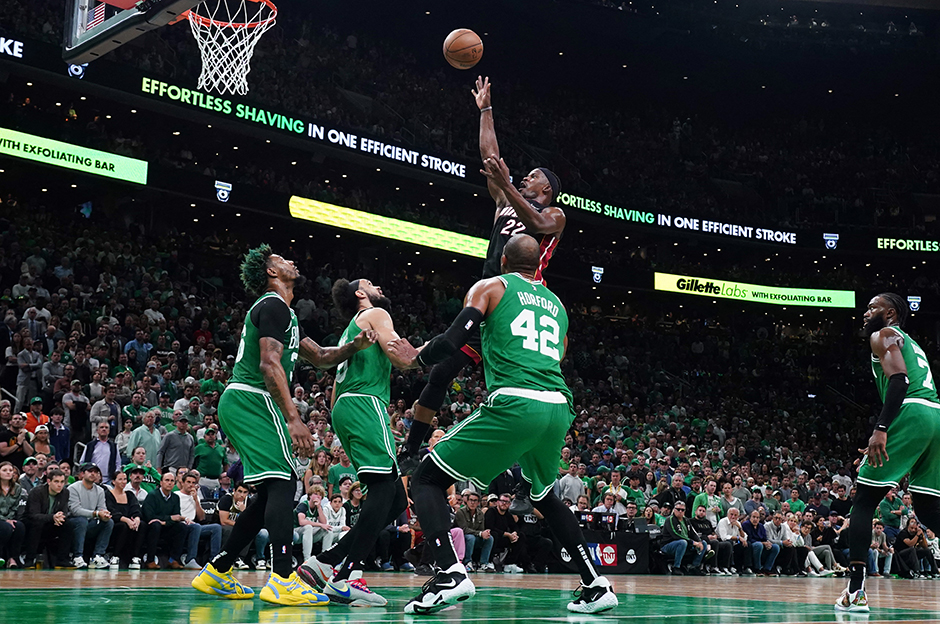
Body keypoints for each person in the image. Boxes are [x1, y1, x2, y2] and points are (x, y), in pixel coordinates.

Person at [390, 235, 617, 615]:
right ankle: (596, 583)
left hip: (516, 401)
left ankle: (449, 572)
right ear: (535, 264)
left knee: (427, 478)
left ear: (504, 259)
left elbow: (452, 340)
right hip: (558, 405)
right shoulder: (557, 305)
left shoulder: (491, 286)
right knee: (545, 496)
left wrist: (415, 357)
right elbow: (557, 354)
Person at [402, 76, 567, 520]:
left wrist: (506, 185)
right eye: (522, 176)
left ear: (545, 187)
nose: (522, 177)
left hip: (523, 305)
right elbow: (490, 156)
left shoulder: (552, 214)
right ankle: (411, 451)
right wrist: (485, 110)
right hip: (491, 298)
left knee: (518, 390)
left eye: (531, 176)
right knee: (440, 373)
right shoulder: (505, 200)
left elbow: (534, 217)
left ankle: (521, 479)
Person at [191, 244, 373, 607]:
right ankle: (282, 578)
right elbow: (269, 364)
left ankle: (218, 571)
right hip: (251, 398)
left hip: (246, 401)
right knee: (284, 481)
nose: (291, 259)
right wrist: (294, 419)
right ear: (272, 272)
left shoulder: (285, 313)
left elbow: (320, 356)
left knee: (272, 489)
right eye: (281, 259)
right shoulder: (272, 304)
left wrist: (353, 346)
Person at [297, 276, 412, 607]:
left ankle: (328, 560)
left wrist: (343, 423)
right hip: (365, 402)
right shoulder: (375, 314)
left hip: (346, 407)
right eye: (373, 284)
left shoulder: (352, 330)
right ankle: (348, 575)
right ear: (362, 294)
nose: (381, 286)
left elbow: (334, 387)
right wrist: (444, 351)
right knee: (383, 490)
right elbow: (400, 356)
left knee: (395, 500)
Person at [838, 294, 940, 612]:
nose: (866, 313)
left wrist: (881, 429)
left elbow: (899, 380)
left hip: (911, 411)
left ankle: (855, 592)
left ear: (891, 314)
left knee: (865, 500)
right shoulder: (913, 343)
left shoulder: (881, 334)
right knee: (928, 509)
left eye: (873, 308)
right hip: (934, 416)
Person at [65, 462, 114, 569]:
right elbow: (75, 510)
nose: (93, 474)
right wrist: (96, 513)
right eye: (90, 471)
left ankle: (98, 556)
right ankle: (77, 556)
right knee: (81, 520)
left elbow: (102, 507)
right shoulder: (73, 488)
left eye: (96, 472)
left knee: (108, 522)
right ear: (82, 474)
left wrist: (105, 514)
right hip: (73, 523)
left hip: (90, 522)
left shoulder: (100, 490)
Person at [23, 468, 71, 568]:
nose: (60, 485)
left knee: (68, 524)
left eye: (62, 482)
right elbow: (33, 515)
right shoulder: (36, 492)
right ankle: (30, 559)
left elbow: (65, 511)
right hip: (32, 523)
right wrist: (52, 517)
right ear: (49, 481)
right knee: (37, 524)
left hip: (52, 522)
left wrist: (60, 517)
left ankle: (62, 559)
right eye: (56, 481)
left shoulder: (65, 492)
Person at [141, 471, 186, 569]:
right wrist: (169, 518)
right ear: (161, 482)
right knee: (156, 524)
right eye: (167, 480)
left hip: (166, 526)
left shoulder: (175, 497)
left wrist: (165, 522)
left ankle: (173, 559)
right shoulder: (152, 495)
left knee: (181, 527)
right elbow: (149, 516)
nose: (169, 483)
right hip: (151, 527)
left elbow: (177, 517)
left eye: (172, 481)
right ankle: (150, 560)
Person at [177, 470, 222, 568]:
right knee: (196, 526)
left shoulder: (196, 497)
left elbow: (201, 517)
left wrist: (196, 501)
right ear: (182, 483)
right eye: (188, 482)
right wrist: (184, 519)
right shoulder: (176, 495)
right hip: (180, 525)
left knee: (216, 528)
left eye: (193, 483)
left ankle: (214, 560)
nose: (191, 485)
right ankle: (190, 559)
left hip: (194, 526)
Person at [106, 469, 144, 569]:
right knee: (123, 526)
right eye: (120, 479)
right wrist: (127, 520)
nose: (123, 482)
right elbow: (112, 512)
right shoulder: (108, 494)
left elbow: (135, 508)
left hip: (130, 522)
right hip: (116, 523)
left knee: (142, 525)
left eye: (125, 479)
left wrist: (137, 519)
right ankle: (115, 556)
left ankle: (135, 557)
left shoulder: (130, 494)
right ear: (113, 481)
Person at [455, 491, 494, 571]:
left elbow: (481, 529)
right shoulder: (461, 512)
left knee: (490, 538)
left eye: (475, 501)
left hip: (476, 536)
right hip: (463, 538)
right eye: (470, 500)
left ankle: (483, 563)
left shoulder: (480, 513)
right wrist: (480, 533)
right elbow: (464, 529)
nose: (472, 503)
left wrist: (485, 533)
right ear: (467, 501)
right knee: (470, 537)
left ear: (478, 503)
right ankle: (467, 562)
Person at [0, 461, 25, 568]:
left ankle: (13, 558)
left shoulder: (17, 488)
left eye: (10, 470)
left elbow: (15, 507)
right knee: (6, 528)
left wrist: (9, 519)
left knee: (19, 526)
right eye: (4, 470)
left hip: (9, 517)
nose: (8, 473)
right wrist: (5, 520)